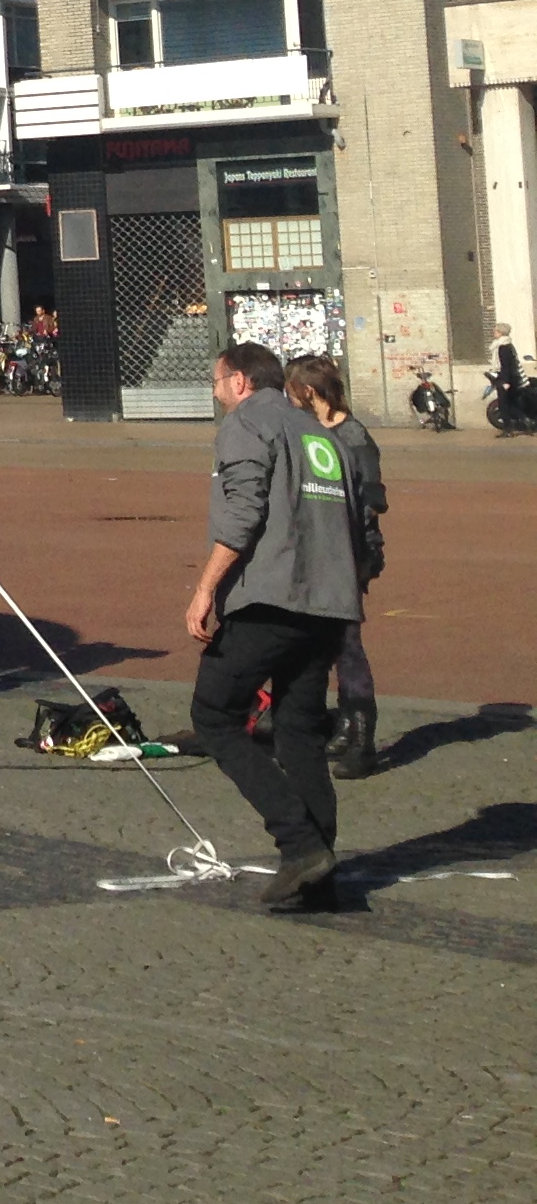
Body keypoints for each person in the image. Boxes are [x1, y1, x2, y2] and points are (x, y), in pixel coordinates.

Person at [187, 341, 361, 911]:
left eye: (217, 383)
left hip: (271, 598)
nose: (217, 393)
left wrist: (205, 587)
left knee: (214, 715)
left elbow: (243, 512)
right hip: (329, 603)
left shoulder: (247, 423)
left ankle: (299, 843)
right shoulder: (322, 433)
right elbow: (357, 518)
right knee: (298, 731)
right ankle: (319, 875)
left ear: (239, 381)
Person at [283, 355, 388, 782]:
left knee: (347, 644)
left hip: (350, 551)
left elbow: (373, 501)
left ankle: (363, 738)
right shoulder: (307, 431)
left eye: (292, 392)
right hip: (314, 550)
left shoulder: (353, 436)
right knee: (318, 641)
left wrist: (356, 554)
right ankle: (342, 725)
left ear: (309, 392)